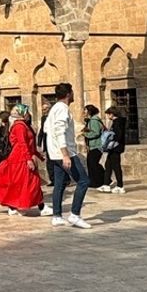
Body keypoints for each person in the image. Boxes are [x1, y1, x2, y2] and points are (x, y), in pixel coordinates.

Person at [0, 104, 46, 215]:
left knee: (22, 183)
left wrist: (39, 156)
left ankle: (13, 207)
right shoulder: (19, 126)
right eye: (26, 112)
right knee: (31, 182)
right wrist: (29, 159)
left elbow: (29, 144)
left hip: (22, 157)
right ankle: (41, 207)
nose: (28, 114)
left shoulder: (22, 125)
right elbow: (22, 144)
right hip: (20, 159)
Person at [45, 83, 92, 229]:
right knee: (83, 181)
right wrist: (65, 155)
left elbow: (47, 128)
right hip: (65, 153)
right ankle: (75, 215)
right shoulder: (62, 109)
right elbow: (59, 131)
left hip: (55, 154)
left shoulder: (54, 109)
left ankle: (57, 216)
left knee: (59, 184)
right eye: (72, 92)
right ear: (68, 94)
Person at [98, 106, 128, 194]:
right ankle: (106, 184)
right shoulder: (117, 122)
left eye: (108, 114)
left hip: (115, 148)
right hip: (114, 148)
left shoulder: (117, 122)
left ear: (112, 114)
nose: (107, 116)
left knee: (116, 167)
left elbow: (118, 136)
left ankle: (120, 186)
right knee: (108, 165)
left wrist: (110, 137)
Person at [82, 105, 105, 190]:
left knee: (93, 164)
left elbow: (96, 133)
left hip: (96, 145)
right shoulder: (90, 120)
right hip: (92, 146)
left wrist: (85, 134)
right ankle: (95, 181)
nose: (84, 112)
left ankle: (100, 180)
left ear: (89, 111)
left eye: (85, 110)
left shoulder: (94, 120)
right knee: (91, 163)